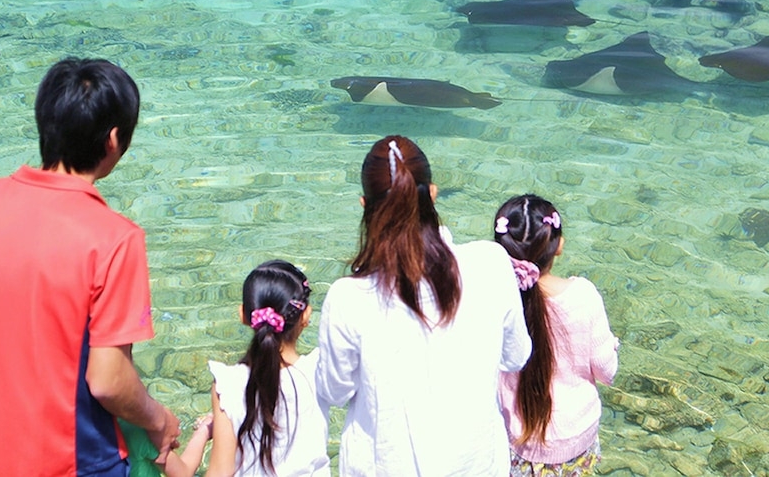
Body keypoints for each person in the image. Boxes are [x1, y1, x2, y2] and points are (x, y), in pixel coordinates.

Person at [0, 57, 180, 477]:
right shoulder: (115, 239)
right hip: (76, 465)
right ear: (114, 139)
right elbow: (108, 381)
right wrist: (159, 420)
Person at [316, 135, 532, 477]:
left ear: (364, 205)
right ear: (432, 193)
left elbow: (335, 391)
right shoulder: (492, 264)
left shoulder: (348, 298)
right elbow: (516, 356)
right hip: (477, 466)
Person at [492, 194, 619, 476]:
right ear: (558, 246)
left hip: (517, 439)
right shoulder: (583, 296)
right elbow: (606, 372)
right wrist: (611, 346)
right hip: (576, 438)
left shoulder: (493, 300)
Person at [204, 260, 330, 477]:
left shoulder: (227, 385)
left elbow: (220, 472)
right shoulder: (321, 370)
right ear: (306, 316)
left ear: (243, 315)